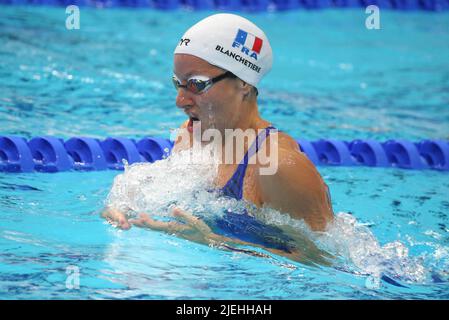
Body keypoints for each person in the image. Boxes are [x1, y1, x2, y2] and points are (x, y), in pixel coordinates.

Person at [102, 13, 333, 264]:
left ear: (243, 82)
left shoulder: (278, 167)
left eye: (196, 85)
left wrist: (215, 242)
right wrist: (122, 210)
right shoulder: (190, 136)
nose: (180, 101)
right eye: (177, 84)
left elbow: (323, 262)